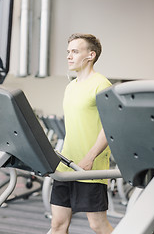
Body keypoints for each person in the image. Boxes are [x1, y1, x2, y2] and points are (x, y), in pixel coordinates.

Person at [50, 33, 113, 234]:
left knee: (98, 225)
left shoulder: (102, 84)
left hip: (90, 166)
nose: (69, 56)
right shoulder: (70, 87)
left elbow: (110, 126)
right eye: (68, 52)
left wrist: (90, 156)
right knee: (58, 224)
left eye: (75, 51)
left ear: (91, 55)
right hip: (66, 164)